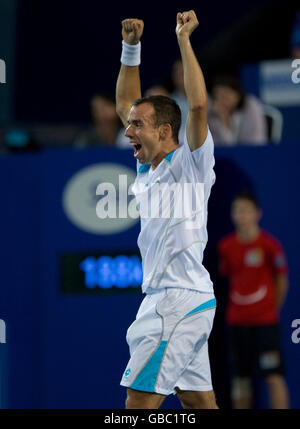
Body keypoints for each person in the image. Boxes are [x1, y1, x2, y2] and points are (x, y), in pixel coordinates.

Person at [116, 11, 218, 409]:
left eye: (138, 125)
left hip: (178, 302)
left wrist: (183, 39)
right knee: (200, 404)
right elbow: (127, 102)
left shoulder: (192, 163)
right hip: (175, 301)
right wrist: (131, 47)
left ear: (164, 131)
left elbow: (198, 105)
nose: (128, 132)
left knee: (137, 404)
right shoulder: (146, 169)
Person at [217, 192, 290, 409]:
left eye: (247, 210)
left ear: (257, 214)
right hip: (237, 323)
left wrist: (269, 309)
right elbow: (228, 277)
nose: (242, 216)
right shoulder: (226, 247)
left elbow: (282, 280)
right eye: (238, 211)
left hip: (265, 324)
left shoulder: (270, 245)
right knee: (240, 380)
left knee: (274, 377)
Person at [207, 76, 268, 146]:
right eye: (217, 96)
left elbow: (256, 142)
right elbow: (222, 148)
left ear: (237, 94)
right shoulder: (212, 112)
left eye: (225, 95)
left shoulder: (251, 105)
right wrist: (224, 120)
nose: (222, 100)